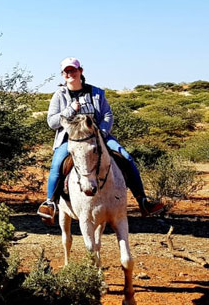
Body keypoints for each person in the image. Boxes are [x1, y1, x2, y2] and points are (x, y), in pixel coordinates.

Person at [37, 56, 164, 225]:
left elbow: (107, 114)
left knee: (126, 157)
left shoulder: (96, 92)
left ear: (80, 71)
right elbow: (52, 122)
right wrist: (69, 110)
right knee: (57, 164)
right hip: (71, 139)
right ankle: (50, 203)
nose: (70, 74)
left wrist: (102, 133)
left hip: (99, 137)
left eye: (73, 70)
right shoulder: (59, 95)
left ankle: (142, 200)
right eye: (66, 71)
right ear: (62, 74)